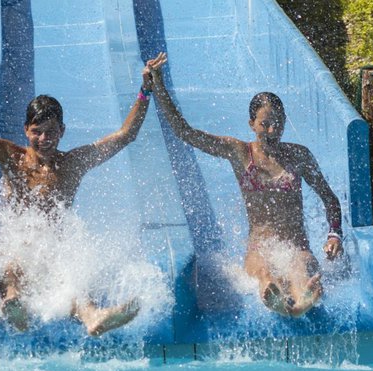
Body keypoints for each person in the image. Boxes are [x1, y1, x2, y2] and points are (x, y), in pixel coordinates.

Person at [0, 46, 153, 335]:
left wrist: (145, 91)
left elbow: (125, 136)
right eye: (37, 131)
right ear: (25, 130)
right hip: (19, 250)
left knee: (70, 275)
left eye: (51, 131)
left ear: (62, 132)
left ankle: (92, 315)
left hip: (55, 251)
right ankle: (13, 303)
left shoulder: (73, 164)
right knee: (12, 262)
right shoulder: (12, 158)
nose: (44, 139)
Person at [146, 52, 344, 317]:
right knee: (264, 272)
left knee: (301, 266)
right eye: (265, 124)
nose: (273, 131)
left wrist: (334, 234)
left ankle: (298, 302)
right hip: (259, 248)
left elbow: (329, 198)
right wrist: (158, 85)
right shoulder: (239, 153)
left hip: (297, 247)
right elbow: (185, 132)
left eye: (278, 124)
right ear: (251, 124)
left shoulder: (299, 156)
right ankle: (279, 297)